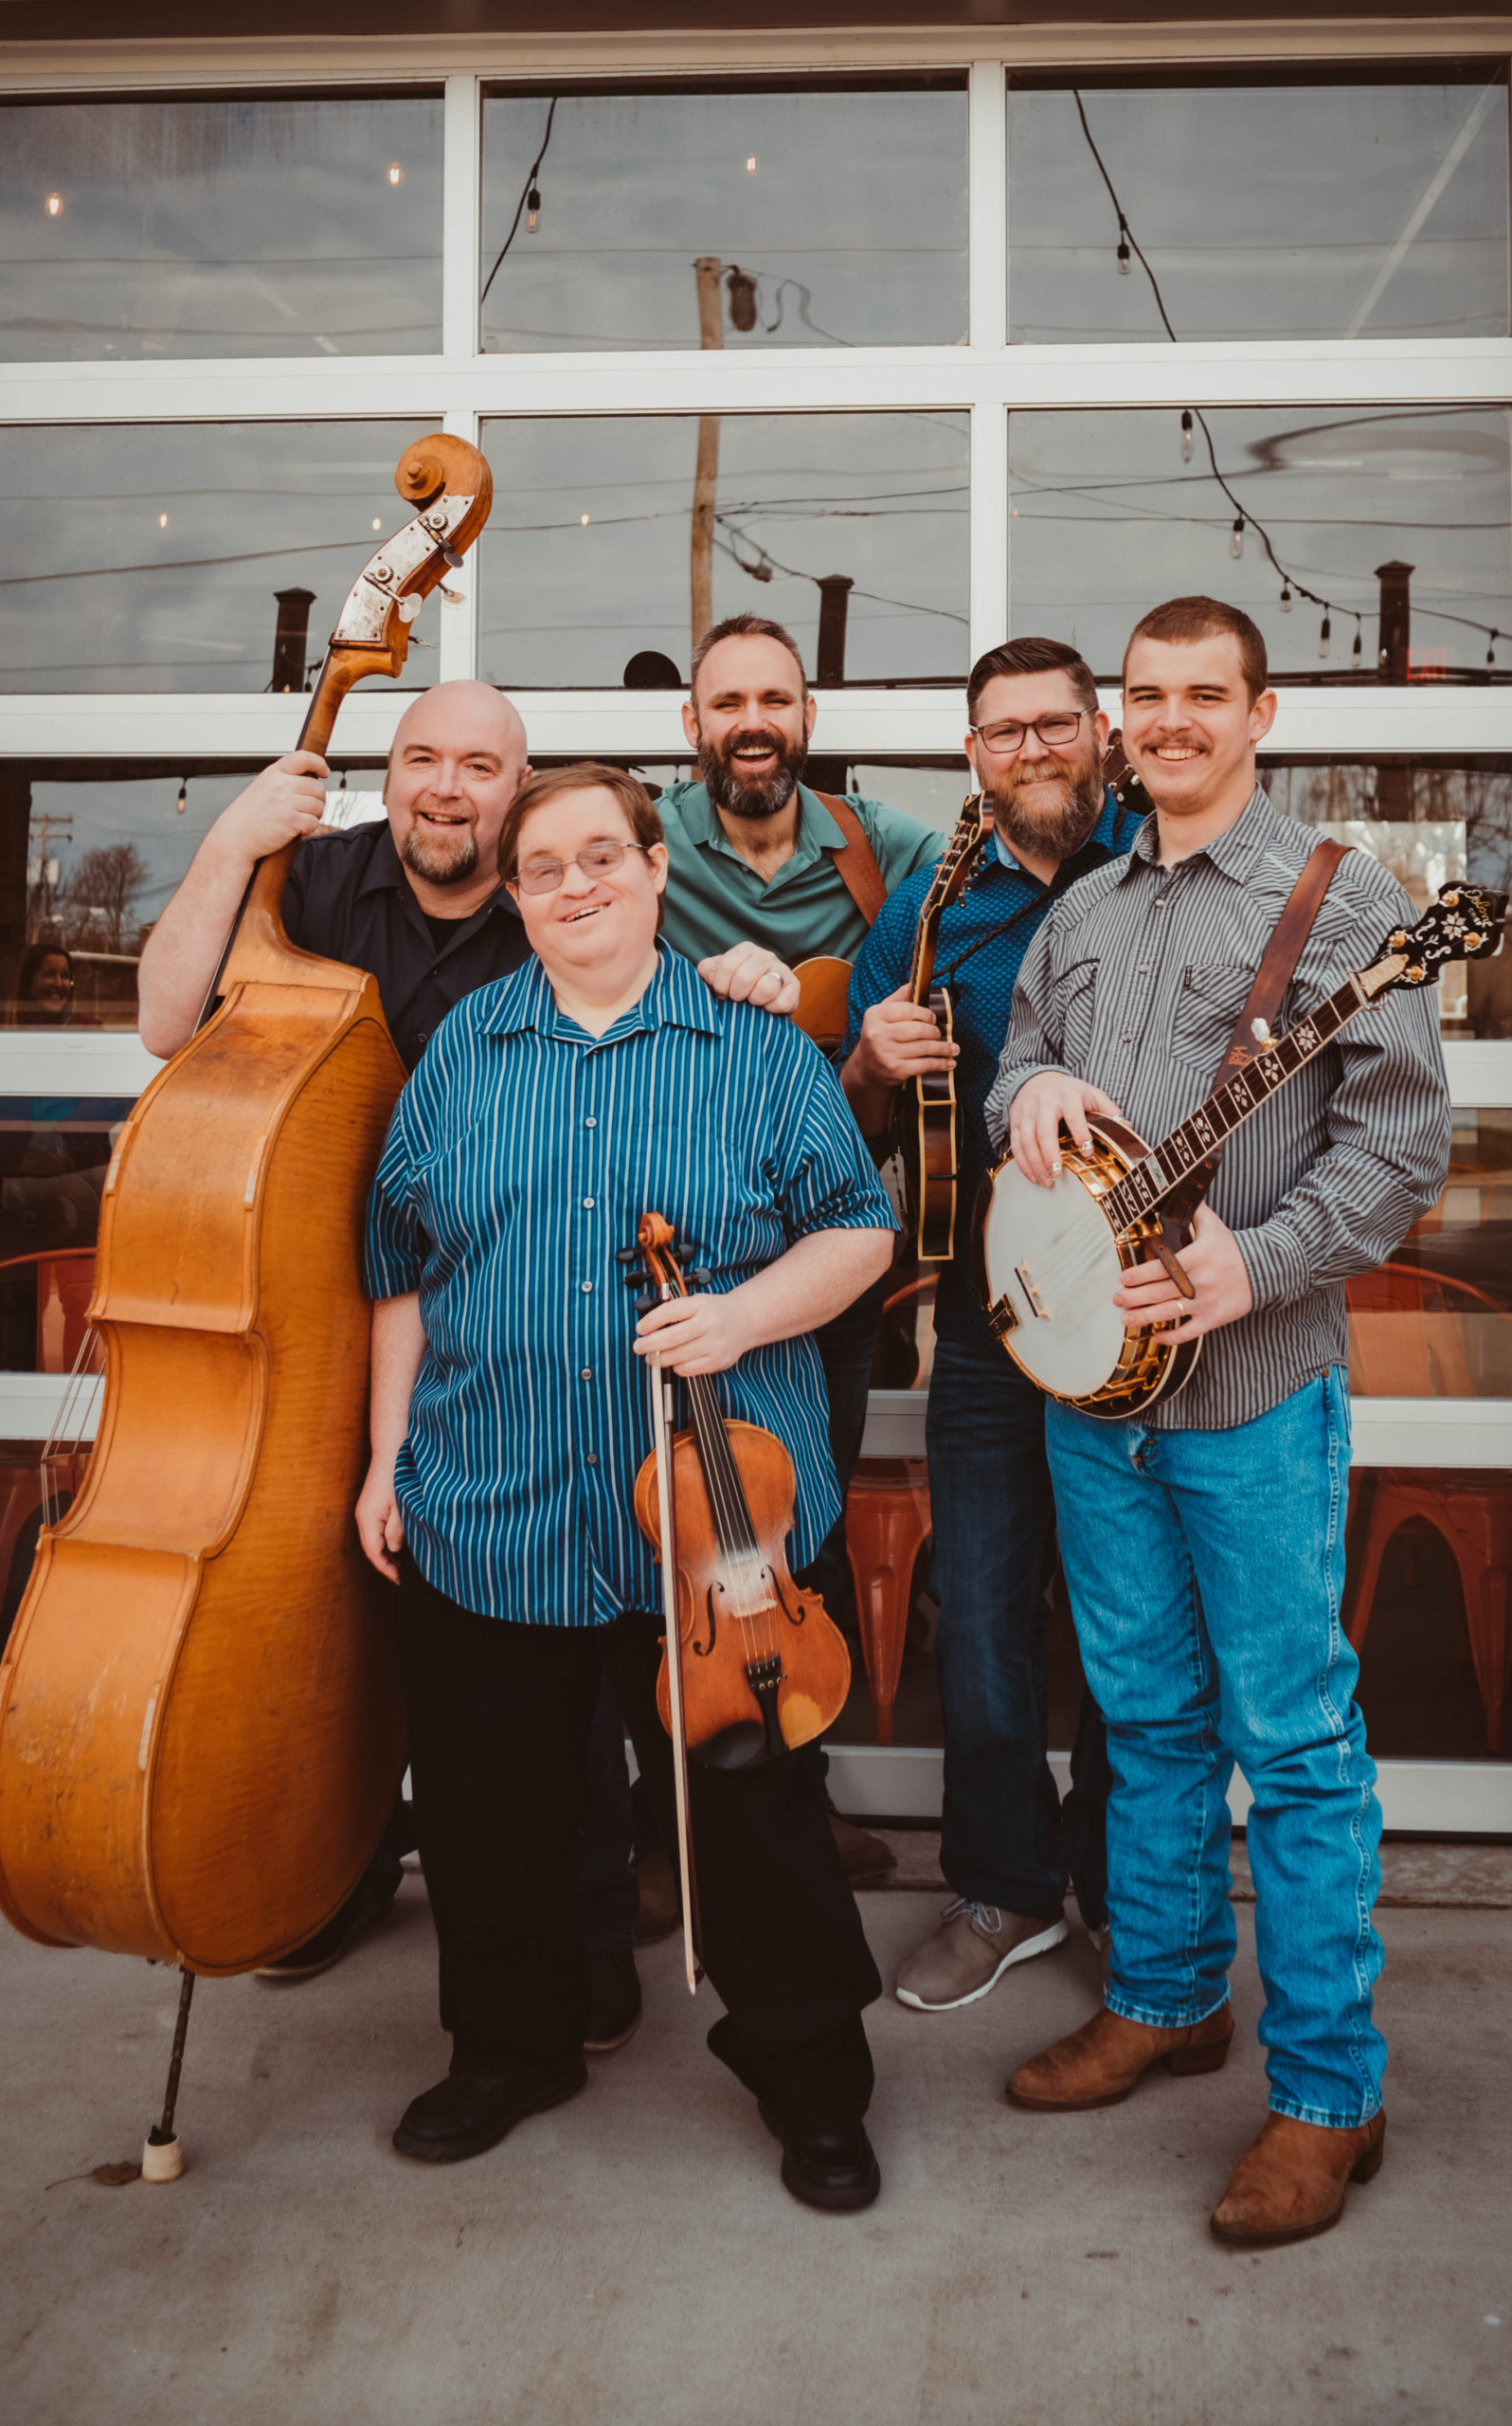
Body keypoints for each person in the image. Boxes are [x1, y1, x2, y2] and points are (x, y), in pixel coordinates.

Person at [135, 682, 795, 2023]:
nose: (447, 786)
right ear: (388, 776)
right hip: (317, 1316)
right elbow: (164, 1023)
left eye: (481, 766)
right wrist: (231, 841)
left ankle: (588, 1949)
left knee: (544, 1660)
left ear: (517, 792)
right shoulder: (315, 880)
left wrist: (751, 972)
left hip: (490, 1329)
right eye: (421, 758)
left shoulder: (553, 900)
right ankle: (339, 1861)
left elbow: (677, 990)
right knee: (361, 1632)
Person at [355, 760, 898, 2210]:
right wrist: (384, 1458)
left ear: (658, 872)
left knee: (759, 1820)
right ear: (514, 897)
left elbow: (860, 1230)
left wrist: (741, 1317)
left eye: (603, 856)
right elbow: (399, 1267)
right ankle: (511, 2048)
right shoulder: (461, 1051)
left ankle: (812, 2083)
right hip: (493, 1499)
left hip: (721, 1528)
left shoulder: (755, 1047)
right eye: (543, 868)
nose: (575, 885)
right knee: (494, 1813)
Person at [984, 597, 1451, 2248]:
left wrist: (1254, 1262)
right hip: (1091, 1399)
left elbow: (1399, 1143)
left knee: (1295, 1744)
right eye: (1148, 694)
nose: (1171, 719)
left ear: (1261, 713)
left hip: (1252, 1395)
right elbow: (1016, 1068)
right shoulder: (1084, 907)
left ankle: (1329, 2093)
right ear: (1121, 718)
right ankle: (1171, 1999)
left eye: (1206, 693)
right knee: (1145, 1717)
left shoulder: (1343, 901)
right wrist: (1029, 1095)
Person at [837, 638, 1142, 2014]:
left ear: (1102, 734)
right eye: (1004, 732)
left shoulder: (1164, 869)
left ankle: (1129, 1887)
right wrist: (869, 1065)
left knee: (1137, 1616)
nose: (1033, 750)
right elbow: (844, 1142)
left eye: (1056, 725)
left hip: (1146, 1311)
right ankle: (1007, 1884)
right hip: (988, 1321)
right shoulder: (926, 918)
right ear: (972, 756)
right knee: (980, 1610)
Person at [631, 612, 945, 1917]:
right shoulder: (642, 838)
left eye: (775, 698)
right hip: (662, 1255)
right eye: (728, 702)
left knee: (791, 1530)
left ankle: (781, 1806)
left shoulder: (893, 851)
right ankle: (664, 1824)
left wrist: (881, 1046)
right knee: (649, 1531)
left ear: (808, 717)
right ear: (692, 724)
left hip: (824, 1248)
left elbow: (983, 947)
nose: (752, 722)